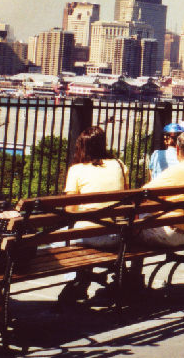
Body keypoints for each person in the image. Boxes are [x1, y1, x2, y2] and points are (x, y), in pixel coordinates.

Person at [58, 126, 129, 304]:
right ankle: (85, 282)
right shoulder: (119, 165)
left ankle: (77, 283)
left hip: (91, 237)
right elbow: (126, 200)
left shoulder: (76, 170)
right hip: (118, 236)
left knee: (58, 240)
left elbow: (70, 211)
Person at [140, 131, 184, 247]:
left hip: (164, 234)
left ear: (177, 149)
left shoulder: (174, 172)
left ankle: (131, 264)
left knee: (136, 226)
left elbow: (141, 195)